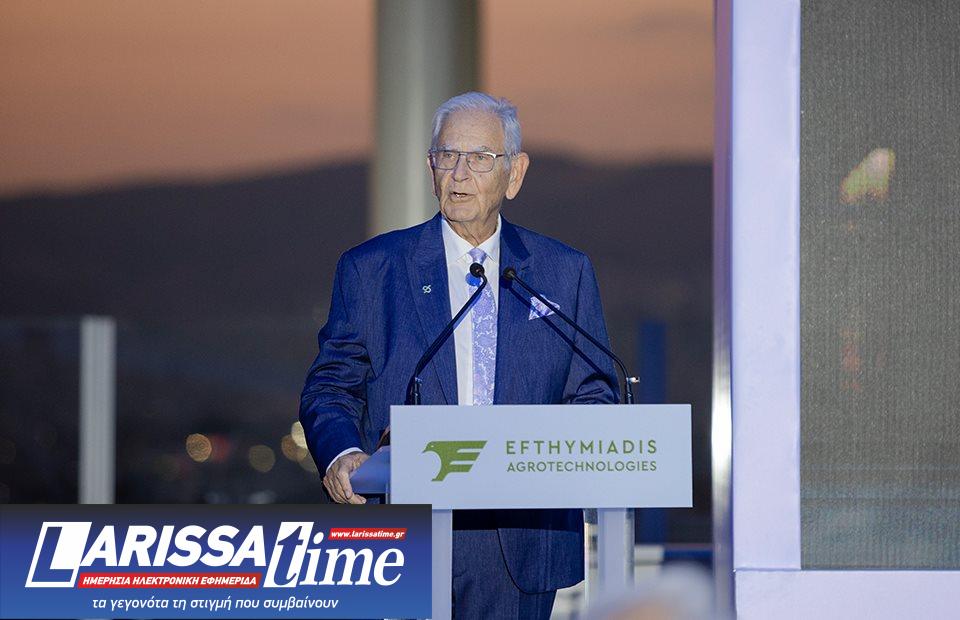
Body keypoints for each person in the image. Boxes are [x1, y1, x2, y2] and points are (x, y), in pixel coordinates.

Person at [300, 91, 618, 619]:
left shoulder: (563, 272)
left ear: (515, 174)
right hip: (405, 531)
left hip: (520, 537)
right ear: (431, 169)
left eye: (480, 158)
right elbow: (331, 385)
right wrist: (341, 454)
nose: (460, 173)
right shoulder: (372, 269)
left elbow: (595, 393)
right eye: (447, 156)